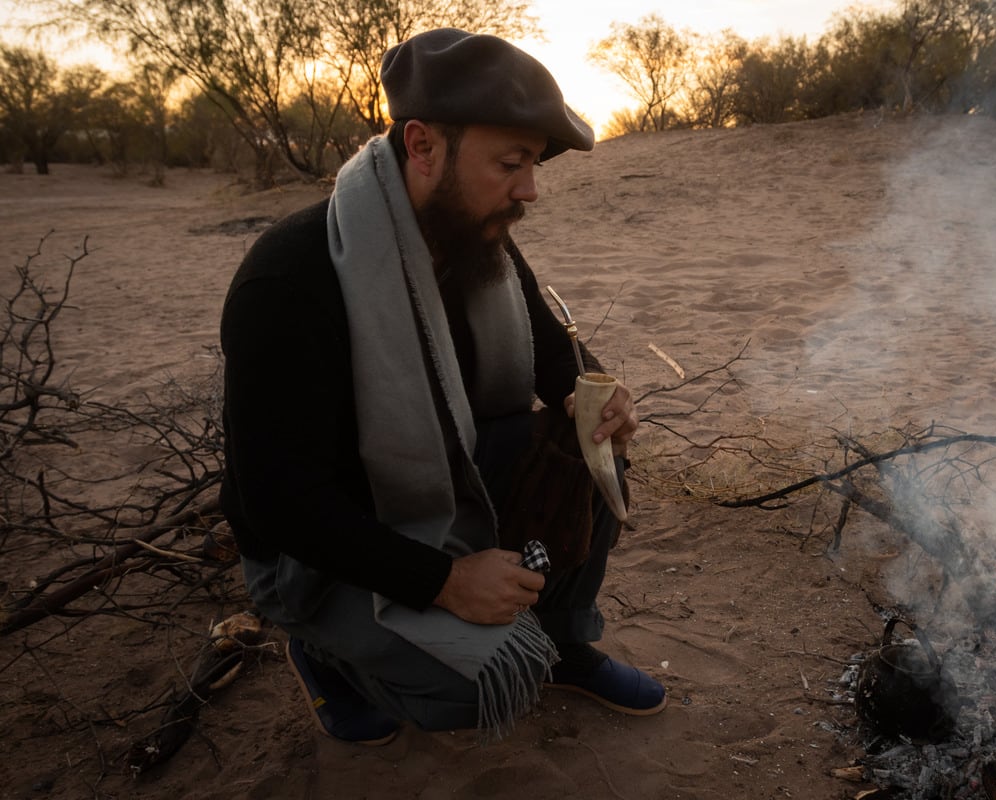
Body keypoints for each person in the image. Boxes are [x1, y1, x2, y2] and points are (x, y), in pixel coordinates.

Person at [219, 28, 666, 746]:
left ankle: (564, 643)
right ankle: (325, 651)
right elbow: (281, 503)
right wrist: (443, 581)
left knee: (583, 454)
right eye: (512, 163)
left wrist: (596, 393)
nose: (530, 188)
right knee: (483, 686)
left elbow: (553, 353)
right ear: (423, 147)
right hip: (312, 550)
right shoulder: (288, 281)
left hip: (441, 480)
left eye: (534, 164)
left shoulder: (475, 234)